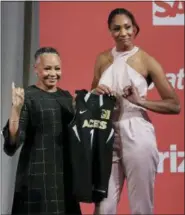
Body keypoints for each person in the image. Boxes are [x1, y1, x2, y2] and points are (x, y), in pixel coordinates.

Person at [91, 8, 181, 215]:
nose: (123, 32)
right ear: (110, 32)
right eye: (116, 28)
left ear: (135, 29)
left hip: (138, 131)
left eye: (127, 27)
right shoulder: (102, 59)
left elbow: (174, 105)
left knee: (141, 205)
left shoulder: (147, 60)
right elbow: (91, 98)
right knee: (103, 207)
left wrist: (140, 101)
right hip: (107, 133)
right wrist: (95, 92)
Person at [2, 47, 81, 215]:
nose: (53, 73)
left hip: (64, 177)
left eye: (57, 68)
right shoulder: (27, 96)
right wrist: (16, 109)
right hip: (36, 178)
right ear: (36, 69)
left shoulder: (67, 98)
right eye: (47, 68)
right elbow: (13, 142)